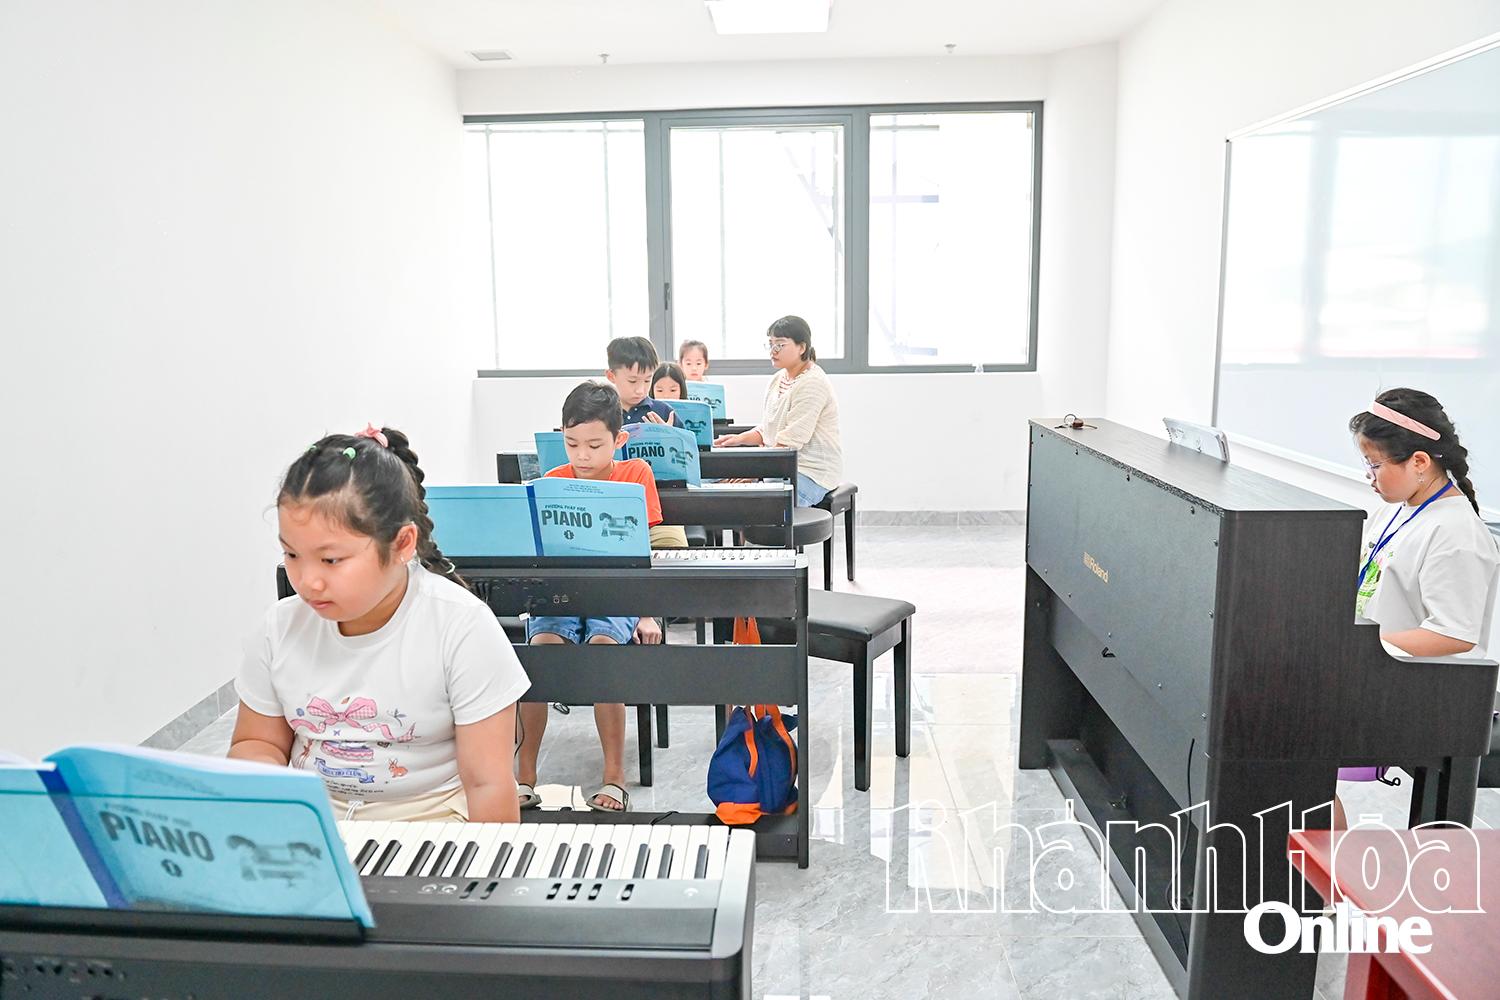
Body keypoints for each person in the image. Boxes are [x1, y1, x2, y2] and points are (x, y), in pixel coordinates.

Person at [230, 425, 529, 823]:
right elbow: (257, 741)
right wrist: (266, 808)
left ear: (403, 544)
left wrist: (486, 879)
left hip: (432, 815)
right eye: (292, 554)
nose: (307, 580)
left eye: (331, 559)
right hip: (316, 816)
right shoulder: (280, 627)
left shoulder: (461, 627)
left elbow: (487, 784)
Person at [1334, 389, 1500, 826]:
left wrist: (1361, 647)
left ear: (1421, 462)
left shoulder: (1457, 535)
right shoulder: (1400, 508)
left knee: (1288, 756)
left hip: (1417, 691)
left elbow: (1454, 635)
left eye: (1375, 465)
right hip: (1372, 669)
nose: (1369, 477)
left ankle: (1322, 880)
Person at [517, 383, 667, 812]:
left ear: (618, 440)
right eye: (572, 444)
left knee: (604, 655)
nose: (582, 455)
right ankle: (524, 776)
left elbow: (647, 549)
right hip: (560, 596)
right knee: (539, 657)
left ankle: (614, 778)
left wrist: (646, 614)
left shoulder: (636, 474)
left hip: (618, 596)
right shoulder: (551, 482)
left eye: (595, 445)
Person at [713, 315, 843, 507]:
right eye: (770, 344)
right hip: (780, 464)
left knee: (757, 501)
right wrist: (738, 439)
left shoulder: (813, 384)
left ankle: (758, 536)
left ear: (802, 347)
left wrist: (754, 474)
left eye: (780, 345)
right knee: (716, 482)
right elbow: (769, 428)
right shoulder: (778, 379)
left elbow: (789, 444)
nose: (773, 351)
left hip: (810, 471)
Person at [606, 336, 678, 427]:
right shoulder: (601, 414)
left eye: (647, 380)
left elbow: (690, 440)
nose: (640, 390)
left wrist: (670, 436)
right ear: (611, 376)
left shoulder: (664, 412)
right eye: (632, 381)